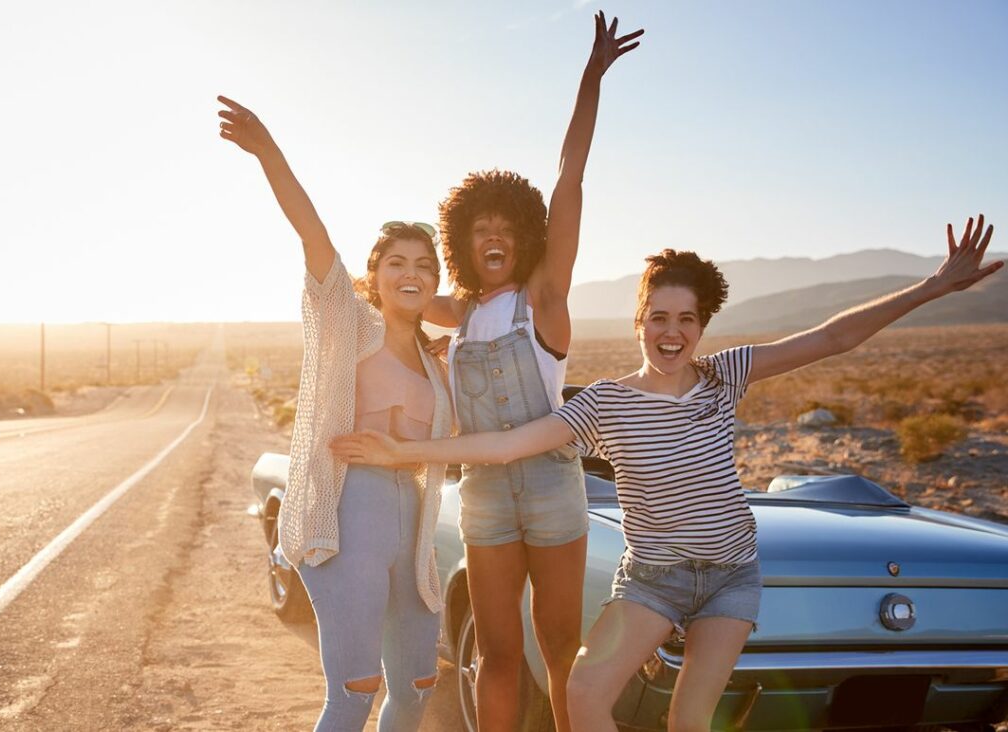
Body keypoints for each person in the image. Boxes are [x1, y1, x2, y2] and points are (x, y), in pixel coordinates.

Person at [331, 217, 1000, 732]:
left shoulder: (724, 376)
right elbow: (509, 445)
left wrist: (935, 286)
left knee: (687, 721)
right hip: (653, 578)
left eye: (686, 319)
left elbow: (831, 339)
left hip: (729, 578)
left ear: (703, 325)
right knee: (588, 695)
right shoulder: (606, 402)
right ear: (639, 322)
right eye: (659, 317)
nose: (671, 331)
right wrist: (402, 453)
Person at [414, 11, 643, 731]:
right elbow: (394, 293)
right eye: (478, 228)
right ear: (462, 241)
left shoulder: (544, 302)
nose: (492, 235)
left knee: (559, 648)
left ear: (525, 236)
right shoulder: (460, 312)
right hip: (483, 495)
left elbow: (568, 177)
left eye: (505, 227)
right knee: (499, 654)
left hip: (550, 488)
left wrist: (590, 79)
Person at [217, 96, 454, 732]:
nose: (411, 274)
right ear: (373, 276)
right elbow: (313, 235)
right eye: (396, 263)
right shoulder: (351, 326)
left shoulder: (438, 362)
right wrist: (269, 152)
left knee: (417, 684)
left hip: (414, 530)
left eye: (424, 266)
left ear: (435, 282)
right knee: (354, 688)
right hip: (351, 514)